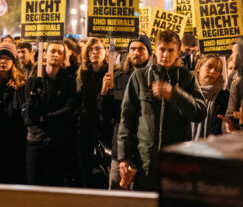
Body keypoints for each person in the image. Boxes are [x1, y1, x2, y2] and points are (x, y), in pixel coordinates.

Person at [117, 30, 206, 191]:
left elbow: (200, 112)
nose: (165, 54)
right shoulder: (139, 77)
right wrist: (124, 157)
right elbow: (127, 119)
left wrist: (175, 94)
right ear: (155, 51)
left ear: (178, 52)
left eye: (171, 50)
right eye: (162, 50)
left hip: (175, 165)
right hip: (145, 164)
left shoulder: (187, 78)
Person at [98, 34, 152, 190]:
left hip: (145, 148)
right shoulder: (116, 78)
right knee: (117, 190)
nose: (136, 52)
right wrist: (104, 93)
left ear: (149, 52)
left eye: (141, 49)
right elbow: (105, 115)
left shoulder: (154, 77)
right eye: (132, 49)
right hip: (121, 149)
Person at [24, 42, 77, 186]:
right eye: (53, 51)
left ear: (64, 58)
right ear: (44, 54)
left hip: (58, 141)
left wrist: (46, 118)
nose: (55, 55)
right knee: (35, 184)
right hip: (36, 140)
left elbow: (69, 109)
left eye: (60, 53)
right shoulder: (33, 80)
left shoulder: (69, 81)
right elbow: (30, 114)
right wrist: (34, 96)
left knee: (55, 184)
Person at [0, 42, 27, 184]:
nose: (3, 61)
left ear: (13, 61)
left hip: (13, 137)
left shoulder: (21, 84)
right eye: (0, 58)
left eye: (7, 58)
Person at [77, 37, 108, 188]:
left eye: (98, 49)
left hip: (104, 129)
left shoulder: (112, 74)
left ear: (106, 52)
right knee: (87, 173)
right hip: (85, 129)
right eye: (91, 50)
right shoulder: (82, 74)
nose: (94, 52)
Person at [191, 54, 229, 139]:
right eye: (209, 67)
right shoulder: (186, 92)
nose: (213, 72)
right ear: (199, 68)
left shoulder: (225, 96)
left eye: (218, 70)